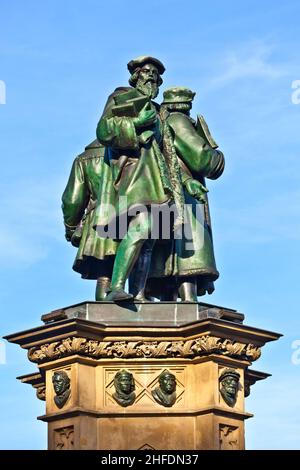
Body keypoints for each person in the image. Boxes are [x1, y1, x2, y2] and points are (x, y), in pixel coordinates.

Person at [95, 55, 175, 302]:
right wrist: (136, 124)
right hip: (134, 175)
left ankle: (138, 293)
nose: (151, 76)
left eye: (155, 74)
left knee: (149, 240)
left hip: (159, 180)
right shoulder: (121, 96)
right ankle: (116, 287)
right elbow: (104, 130)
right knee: (141, 228)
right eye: (146, 71)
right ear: (136, 76)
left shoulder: (161, 111)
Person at [146, 87, 225, 301]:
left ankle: (171, 297)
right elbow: (201, 157)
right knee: (186, 249)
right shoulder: (178, 121)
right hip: (184, 195)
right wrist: (217, 156)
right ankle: (188, 298)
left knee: (168, 251)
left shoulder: (160, 124)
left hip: (165, 193)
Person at [62, 139, 118, 300]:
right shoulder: (139, 151)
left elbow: (72, 200)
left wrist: (71, 228)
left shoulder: (84, 159)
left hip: (99, 220)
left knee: (104, 273)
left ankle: (104, 312)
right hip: (135, 215)